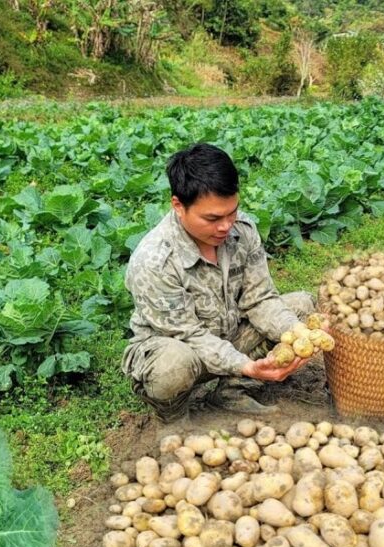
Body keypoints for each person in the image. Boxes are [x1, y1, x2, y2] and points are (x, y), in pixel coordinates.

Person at [121, 143, 315, 422]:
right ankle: (174, 418)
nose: (226, 226)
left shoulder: (242, 230)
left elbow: (260, 299)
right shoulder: (154, 261)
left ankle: (231, 393)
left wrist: (298, 331)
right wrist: (246, 365)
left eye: (231, 212)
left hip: (229, 335)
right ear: (178, 205)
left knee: (299, 310)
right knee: (172, 366)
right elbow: (189, 336)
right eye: (212, 218)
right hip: (182, 349)